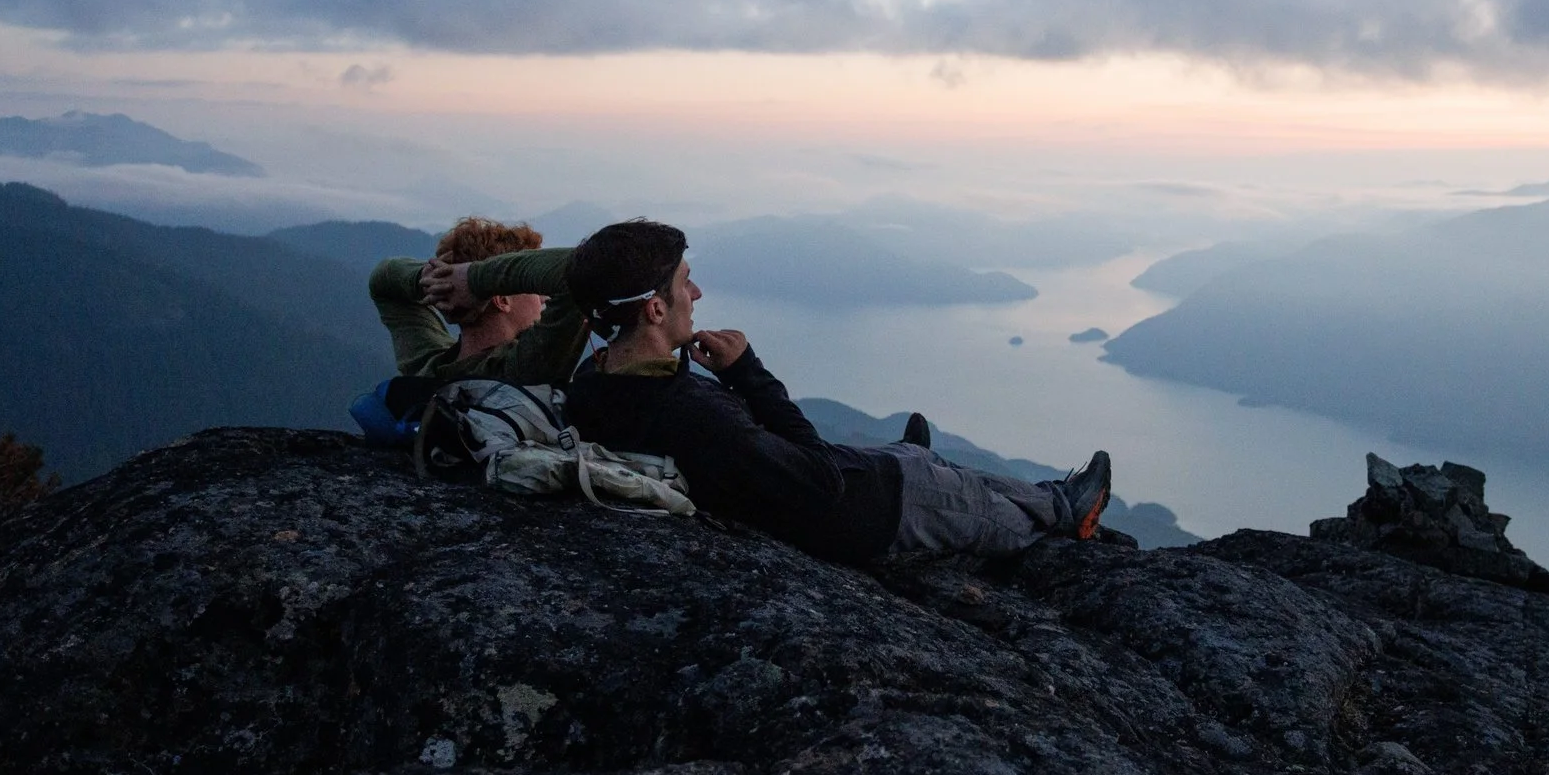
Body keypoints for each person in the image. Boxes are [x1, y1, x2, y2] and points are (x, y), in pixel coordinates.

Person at [454, 216, 1110, 565]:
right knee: (965, 495)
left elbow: (681, 420)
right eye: (686, 283)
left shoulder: (596, 381)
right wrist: (749, 374)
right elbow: (820, 479)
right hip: (872, 516)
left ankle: (914, 458)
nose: (697, 292)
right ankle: (1061, 511)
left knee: (909, 455)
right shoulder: (699, 413)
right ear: (654, 310)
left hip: (808, 488)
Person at [367, 217, 591, 386]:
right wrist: (475, 280)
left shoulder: (426, 365)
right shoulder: (521, 370)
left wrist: (431, 280)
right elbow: (582, 267)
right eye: (536, 288)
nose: (545, 297)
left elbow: (384, 279)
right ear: (502, 300)